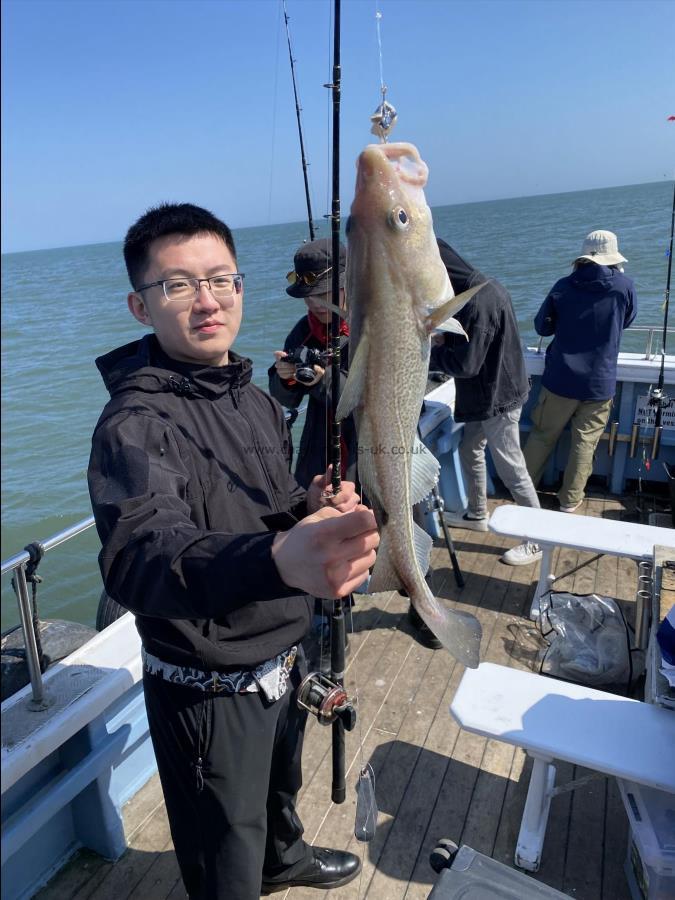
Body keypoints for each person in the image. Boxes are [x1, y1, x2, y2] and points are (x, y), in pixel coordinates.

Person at [87, 203, 379, 900]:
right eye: (178, 285)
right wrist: (279, 558)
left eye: (222, 279)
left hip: (282, 649)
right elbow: (142, 557)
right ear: (140, 306)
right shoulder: (134, 423)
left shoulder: (250, 397)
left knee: (281, 788)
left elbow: (257, 508)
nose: (207, 299)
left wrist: (307, 506)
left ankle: (286, 859)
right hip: (208, 687)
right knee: (224, 847)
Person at [269, 239, 360, 666]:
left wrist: (325, 381)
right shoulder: (302, 332)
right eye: (309, 297)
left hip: (372, 448)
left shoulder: (370, 324)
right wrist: (285, 378)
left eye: (325, 295)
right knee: (320, 531)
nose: (317, 305)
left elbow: (371, 398)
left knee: (396, 525)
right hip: (319, 451)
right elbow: (286, 403)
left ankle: (416, 602)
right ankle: (330, 619)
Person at [429, 239, 543, 566]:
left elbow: (466, 364)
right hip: (485, 395)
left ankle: (536, 539)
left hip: (499, 398)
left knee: (512, 468)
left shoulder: (479, 302)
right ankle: (477, 512)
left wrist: (427, 353)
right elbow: (472, 344)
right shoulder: (479, 288)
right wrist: (444, 337)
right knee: (469, 449)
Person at [523, 230, 637, 511]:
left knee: (542, 435)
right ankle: (570, 501)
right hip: (599, 382)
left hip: (560, 378)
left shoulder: (563, 286)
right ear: (613, 257)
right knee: (584, 443)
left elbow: (542, 327)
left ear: (582, 257)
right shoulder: (624, 286)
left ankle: (521, 491)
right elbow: (627, 320)